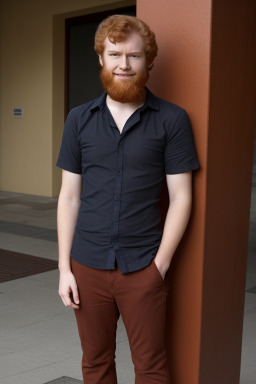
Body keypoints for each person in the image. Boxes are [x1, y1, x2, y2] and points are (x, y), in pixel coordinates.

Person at [56, 14, 199, 384]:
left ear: (148, 60)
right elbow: (70, 196)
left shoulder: (172, 119)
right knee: (96, 362)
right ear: (101, 58)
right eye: (115, 54)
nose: (124, 64)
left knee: (151, 368)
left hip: (143, 266)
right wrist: (64, 269)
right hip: (86, 264)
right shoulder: (78, 120)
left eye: (134, 56)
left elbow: (181, 198)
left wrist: (160, 267)